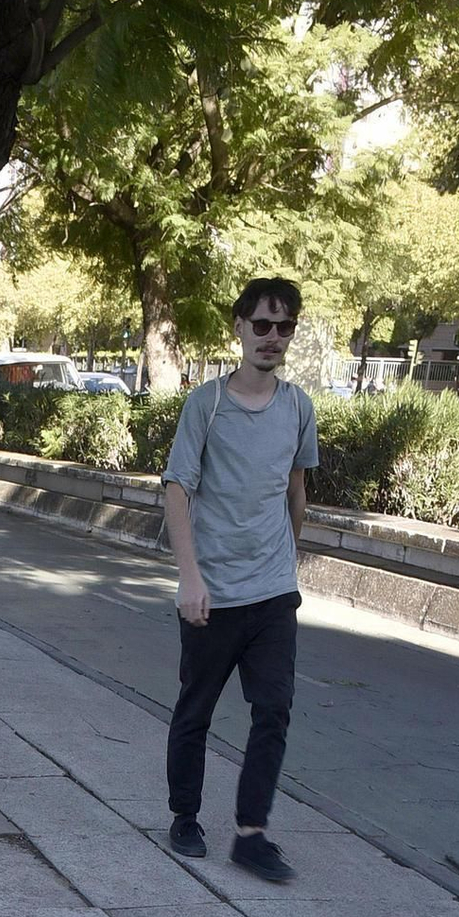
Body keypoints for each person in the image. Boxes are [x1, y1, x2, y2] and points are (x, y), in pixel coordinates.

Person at [161, 277, 318, 883]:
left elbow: (296, 491)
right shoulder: (208, 404)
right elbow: (178, 487)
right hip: (213, 591)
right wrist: (189, 578)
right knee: (195, 710)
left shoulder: (298, 406)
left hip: (273, 591)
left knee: (273, 709)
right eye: (261, 324)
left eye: (284, 327)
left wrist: (288, 561)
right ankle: (184, 816)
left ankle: (252, 834)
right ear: (240, 328)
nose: (272, 337)